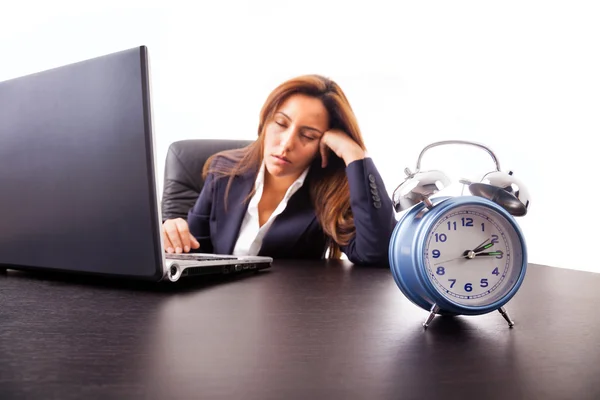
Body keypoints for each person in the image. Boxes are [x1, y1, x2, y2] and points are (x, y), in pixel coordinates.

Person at [162, 74, 397, 265]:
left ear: (322, 145)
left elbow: (375, 253)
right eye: (281, 124)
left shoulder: (329, 194)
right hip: (219, 312)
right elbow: (192, 253)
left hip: (287, 316)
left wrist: (353, 153)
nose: (286, 145)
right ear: (265, 121)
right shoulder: (223, 170)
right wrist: (172, 236)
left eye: (308, 135)